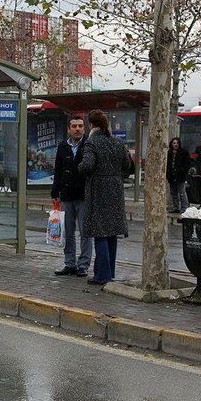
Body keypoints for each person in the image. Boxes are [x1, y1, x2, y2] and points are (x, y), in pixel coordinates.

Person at [78, 110, 132, 285]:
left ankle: (102, 275)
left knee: (100, 232)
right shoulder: (117, 142)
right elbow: (127, 165)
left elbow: (87, 165)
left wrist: (79, 168)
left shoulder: (91, 143)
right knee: (111, 233)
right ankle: (110, 272)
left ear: (91, 125)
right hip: (115, 189)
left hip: (98, 189)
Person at [51, 116, 92, 277]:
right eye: (74, 126)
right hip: (66, 196)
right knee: (68, 232)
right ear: (69, 128)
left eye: (80, 126)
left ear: (84, 128)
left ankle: (83, 265)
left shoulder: (88, 145)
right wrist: (55, 193)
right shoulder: (63, 146)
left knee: (85, 232)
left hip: (83, 196)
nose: (77, 129)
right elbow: (58, 171)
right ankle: (69, 263)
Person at [166, 137, 191, 214]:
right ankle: (176, 207)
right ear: (171, 144)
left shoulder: (184, 152)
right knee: (173, 192)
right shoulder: (169, 153)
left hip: (180, 176)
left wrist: (182, 171)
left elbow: (188, 164)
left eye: (177, 143)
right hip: (171, 175)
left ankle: (184, 207)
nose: (175, 144)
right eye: (174, 143)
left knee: (182, 192)